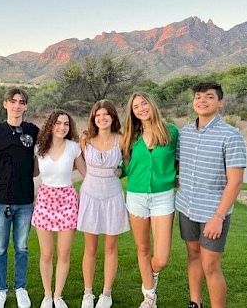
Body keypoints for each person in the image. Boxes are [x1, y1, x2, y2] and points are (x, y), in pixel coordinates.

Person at [176, 82, 246, 308]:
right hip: (186, 208)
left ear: (220, 102)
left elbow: (235, 182)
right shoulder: (184, 133)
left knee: (211, 266)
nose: (202, 101)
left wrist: (218, 216)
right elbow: (178, 168)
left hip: (213, 213)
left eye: (209, 97)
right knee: (193, 257)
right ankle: (195, 303)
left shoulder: (231, 135)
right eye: (198, 97)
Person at [121, 92, 179, 308]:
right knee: (143, 249)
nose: (141, 108)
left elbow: (180, 160)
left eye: (144, 103)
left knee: (161, 257)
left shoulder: (171, 132)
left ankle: (150, 276)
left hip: (163, 197)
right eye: (136, 106)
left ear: (152, 104)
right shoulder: (130, 136)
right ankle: (149, 298)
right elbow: (126, 166)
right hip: (136, 197)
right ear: (132, 112)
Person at [0, 88, 39, 308]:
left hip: (25, 200)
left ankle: (21, 288)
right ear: (5, 103)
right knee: (0, 248)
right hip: (0, 200)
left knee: (22, 247)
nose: (17, 105)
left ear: (26, 106)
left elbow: (39, 160)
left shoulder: (32, 130)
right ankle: (0, 290)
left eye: (21, 102)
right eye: (13, 101)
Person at [77, 99, 130, 308]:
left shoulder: (123, 139)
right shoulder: (85, 140)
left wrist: (121, 171)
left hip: (113, 195)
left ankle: (106, 293)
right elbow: (75, 160)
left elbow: (129, 165)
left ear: (113, 117)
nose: (102, 118)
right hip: (90, 195)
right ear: (93, 118)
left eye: (106, 114)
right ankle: (88, 293)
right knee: (89, 248)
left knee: (110, 247)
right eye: (97, 115)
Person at [32, 110, 86, 308]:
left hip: (67, 202)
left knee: (64, 254)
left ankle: (57, 295)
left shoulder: (74, 147)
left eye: (66, 124)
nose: (62, 127)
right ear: (50, 125)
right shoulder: (39, 148)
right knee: (46, 254)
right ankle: (47, 295)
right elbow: (32, 172)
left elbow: (85, 173)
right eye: (58, 123)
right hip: (45, 201)